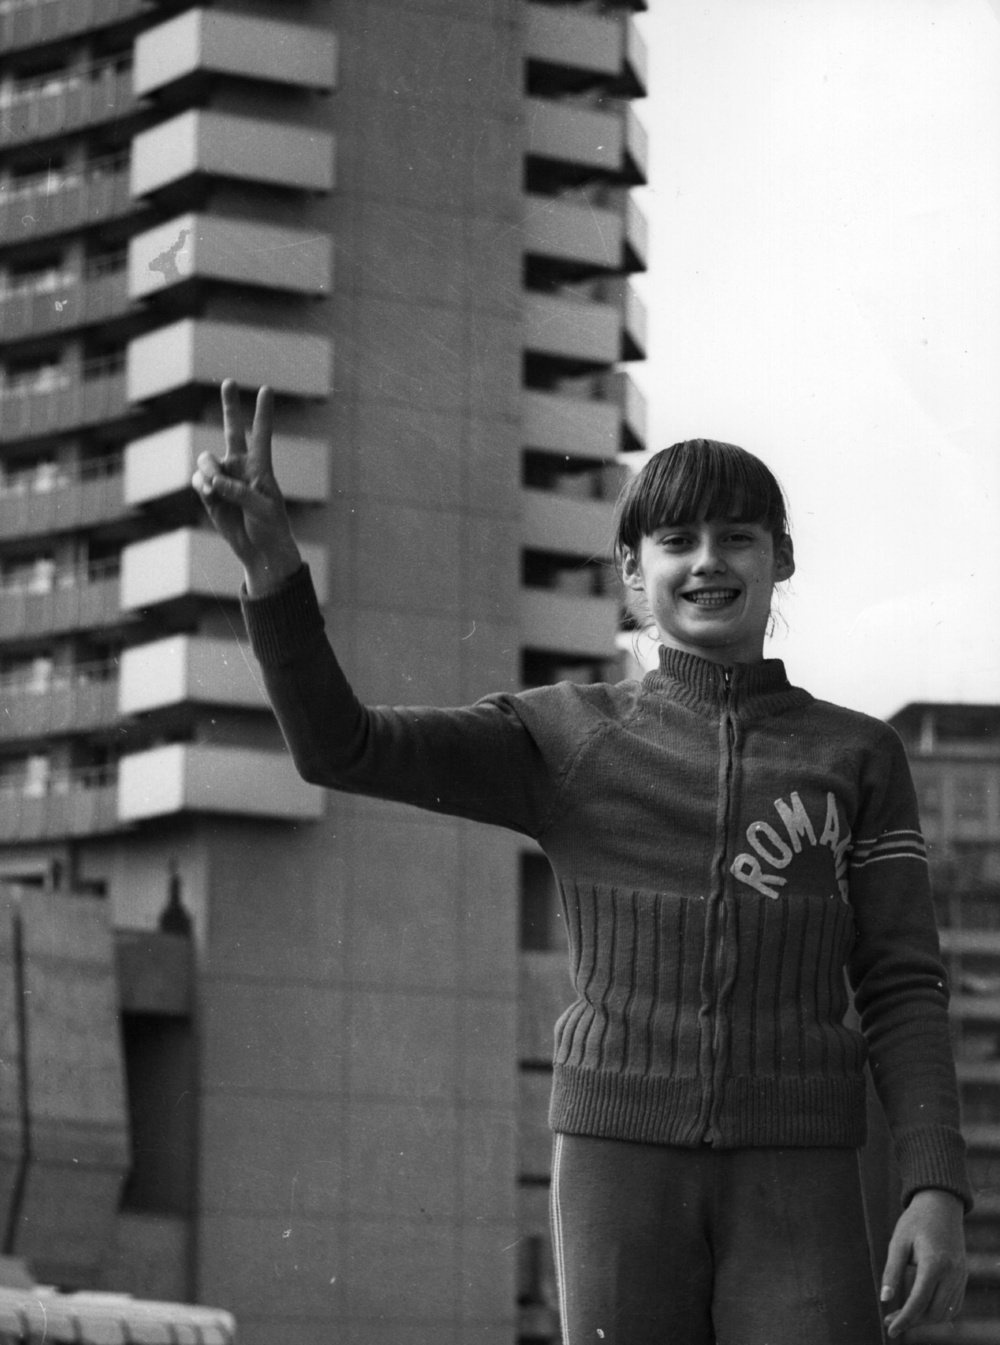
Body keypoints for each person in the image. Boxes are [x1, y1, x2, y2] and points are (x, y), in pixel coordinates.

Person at [193, 380, 970, 1345]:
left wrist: (934, 1181)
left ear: (782, 558)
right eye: (676, 541)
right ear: (635, 576)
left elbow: (900, 982)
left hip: (804, 1165)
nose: (708, 562)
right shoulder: (569, 735)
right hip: (618, 1156)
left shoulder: (857, 756)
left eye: (737, 536)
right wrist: (274, 574)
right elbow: (339, 746)